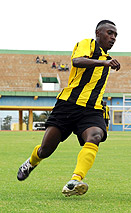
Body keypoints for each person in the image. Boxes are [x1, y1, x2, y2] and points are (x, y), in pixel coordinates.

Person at [17, 20, 120, 197]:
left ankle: (75, 180)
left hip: (91, 109)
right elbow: (77, 61)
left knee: (95, 135)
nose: (113, 38)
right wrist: (103, 63)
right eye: (109, 33)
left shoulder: (108, 60)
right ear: (98, 32)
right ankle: (31, 162)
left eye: (115, 35)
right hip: (68, 105)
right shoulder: (88, 44)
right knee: (46, 150)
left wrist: (106, 63)